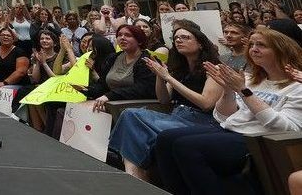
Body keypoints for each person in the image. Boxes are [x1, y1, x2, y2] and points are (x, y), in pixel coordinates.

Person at [155, 28, 302, 194]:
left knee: (186, 147)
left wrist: (244, 91)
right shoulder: (251, 78)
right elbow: (223, 116)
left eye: (261, 45)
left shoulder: (297, 86)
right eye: (252, 44)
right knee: (165, 138)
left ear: (280, 50)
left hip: (257, 138)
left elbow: (287, 128)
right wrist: (228, 90)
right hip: (230, 129)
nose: (253, 48)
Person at [109, 23, 223, 183]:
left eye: (185, 37)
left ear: (200, 43)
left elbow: (206, 103)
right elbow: (163, 99)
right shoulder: (179, 68)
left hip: (200, 122)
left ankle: (136, 179)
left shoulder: (214, 68)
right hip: (175, 116)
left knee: (136, 132)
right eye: (176, 38)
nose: (179, 40)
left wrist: (169, 78)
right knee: (129, 114)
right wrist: (160, 76)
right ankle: (135, 176)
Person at [88, 25, 157, 112]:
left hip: (140, 106)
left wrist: (109, 96)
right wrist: (87, 90)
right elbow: (103, 84)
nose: (122, 38)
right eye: (119, 35)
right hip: (112, 103)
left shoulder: (147, 60)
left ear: (139, 41)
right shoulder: (113, 58)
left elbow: (142, 89)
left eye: (128, 35)